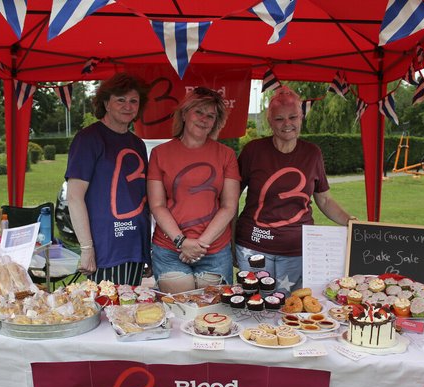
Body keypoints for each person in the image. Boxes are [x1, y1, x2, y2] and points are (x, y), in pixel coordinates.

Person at [234, 86, 355, 294]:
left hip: (298, 250)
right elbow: (231, 197)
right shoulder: (253, 150)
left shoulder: (312, 153)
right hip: (253, 247)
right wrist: (228, 240)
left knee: (291, 311)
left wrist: (351, 222)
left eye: (293, 117)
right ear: (270, 121)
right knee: (255, 309)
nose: (287, 124)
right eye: (279, 119)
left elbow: (324, 200)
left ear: (301, 118)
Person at [147, 87, 241, 289]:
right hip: (169, 247)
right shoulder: (159, 153)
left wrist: (200, 245)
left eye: (211, 115)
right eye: (199, 112)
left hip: (214, 249)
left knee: (211, 313)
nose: (204, 119)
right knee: (181, 309)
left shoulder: (226, 155)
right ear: (184, 113)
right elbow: (157, 205)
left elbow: (229, 206)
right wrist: (182, 242)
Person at [65, 72, 151, 285]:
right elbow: (74, 197)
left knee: (129, 311)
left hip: (135, 243)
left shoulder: (137, 143)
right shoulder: (88, 139)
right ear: (106, 103)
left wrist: (147, 249)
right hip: (106, 245)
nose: (127, 106)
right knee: (108, 310)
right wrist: (86, 248)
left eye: (133, 101)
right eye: (120, 100)